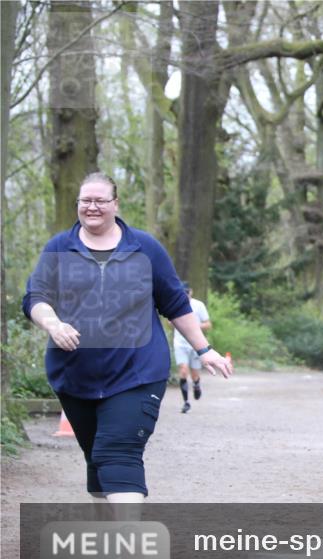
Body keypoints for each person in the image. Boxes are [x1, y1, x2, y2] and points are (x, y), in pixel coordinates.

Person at [22, 172, 233, 508]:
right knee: (97, 460)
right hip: (75, 377)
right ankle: (108, 543)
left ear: (115, 204)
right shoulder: (59, 247)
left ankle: (127, 547)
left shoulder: (145, 248)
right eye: (85, 201)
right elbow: (36, 297)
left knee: (118, 453)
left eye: (100, 200)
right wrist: (53, 323)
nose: (92, 207)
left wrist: (204, 349)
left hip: (137, 373)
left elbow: (175, 303)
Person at [173, 282, 212, 413]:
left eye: (186, 292)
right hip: (180, 343)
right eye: (182, 292)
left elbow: (208, 324)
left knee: (195, 373)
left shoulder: (198, 305)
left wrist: (194, 326)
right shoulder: (175, 303)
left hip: (195, 344)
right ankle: (186, 402)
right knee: (183, 370)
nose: (185, 295)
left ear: (191, 292)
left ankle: (196, 384)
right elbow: (169, 321)